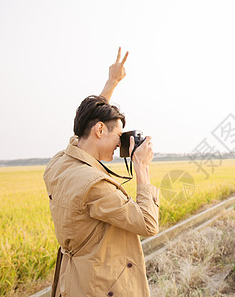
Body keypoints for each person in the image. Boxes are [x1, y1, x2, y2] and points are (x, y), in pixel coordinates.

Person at [43, 48, 160, 297]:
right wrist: (142, 168)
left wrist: (111, 83)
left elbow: (84, 126)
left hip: (72, 280)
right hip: (99, 286)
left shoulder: (59, 163)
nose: (120, 145)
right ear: (99, 130)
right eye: (118, 137)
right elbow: (148, 224)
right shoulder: (94, 184)